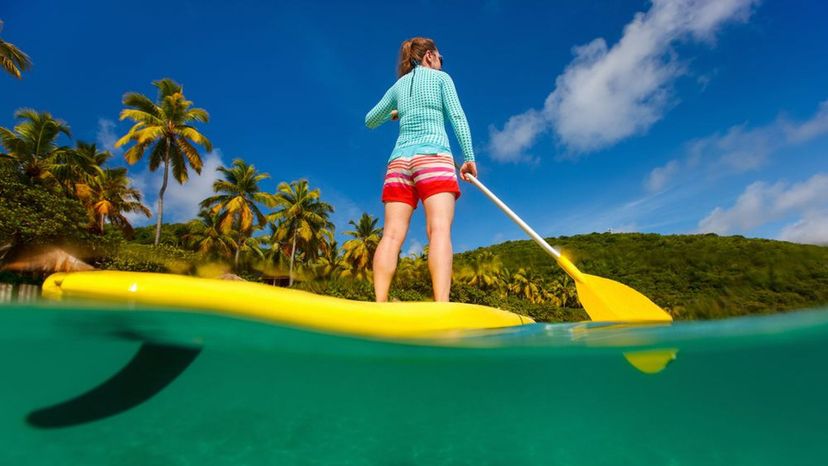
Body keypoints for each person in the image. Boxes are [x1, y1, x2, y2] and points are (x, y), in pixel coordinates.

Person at [365, 37, 477, 302]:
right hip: (433, 157)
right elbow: (457, 116)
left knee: (391, 235)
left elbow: (370, 120)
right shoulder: (441, 79)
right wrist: (469, 158)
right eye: (440, 57)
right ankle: (441, 304)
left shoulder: (398, 86)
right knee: (438, 229)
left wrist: (396, 112)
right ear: (428, 56)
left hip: (399, 164)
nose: (441, 62)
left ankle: (378, 303)